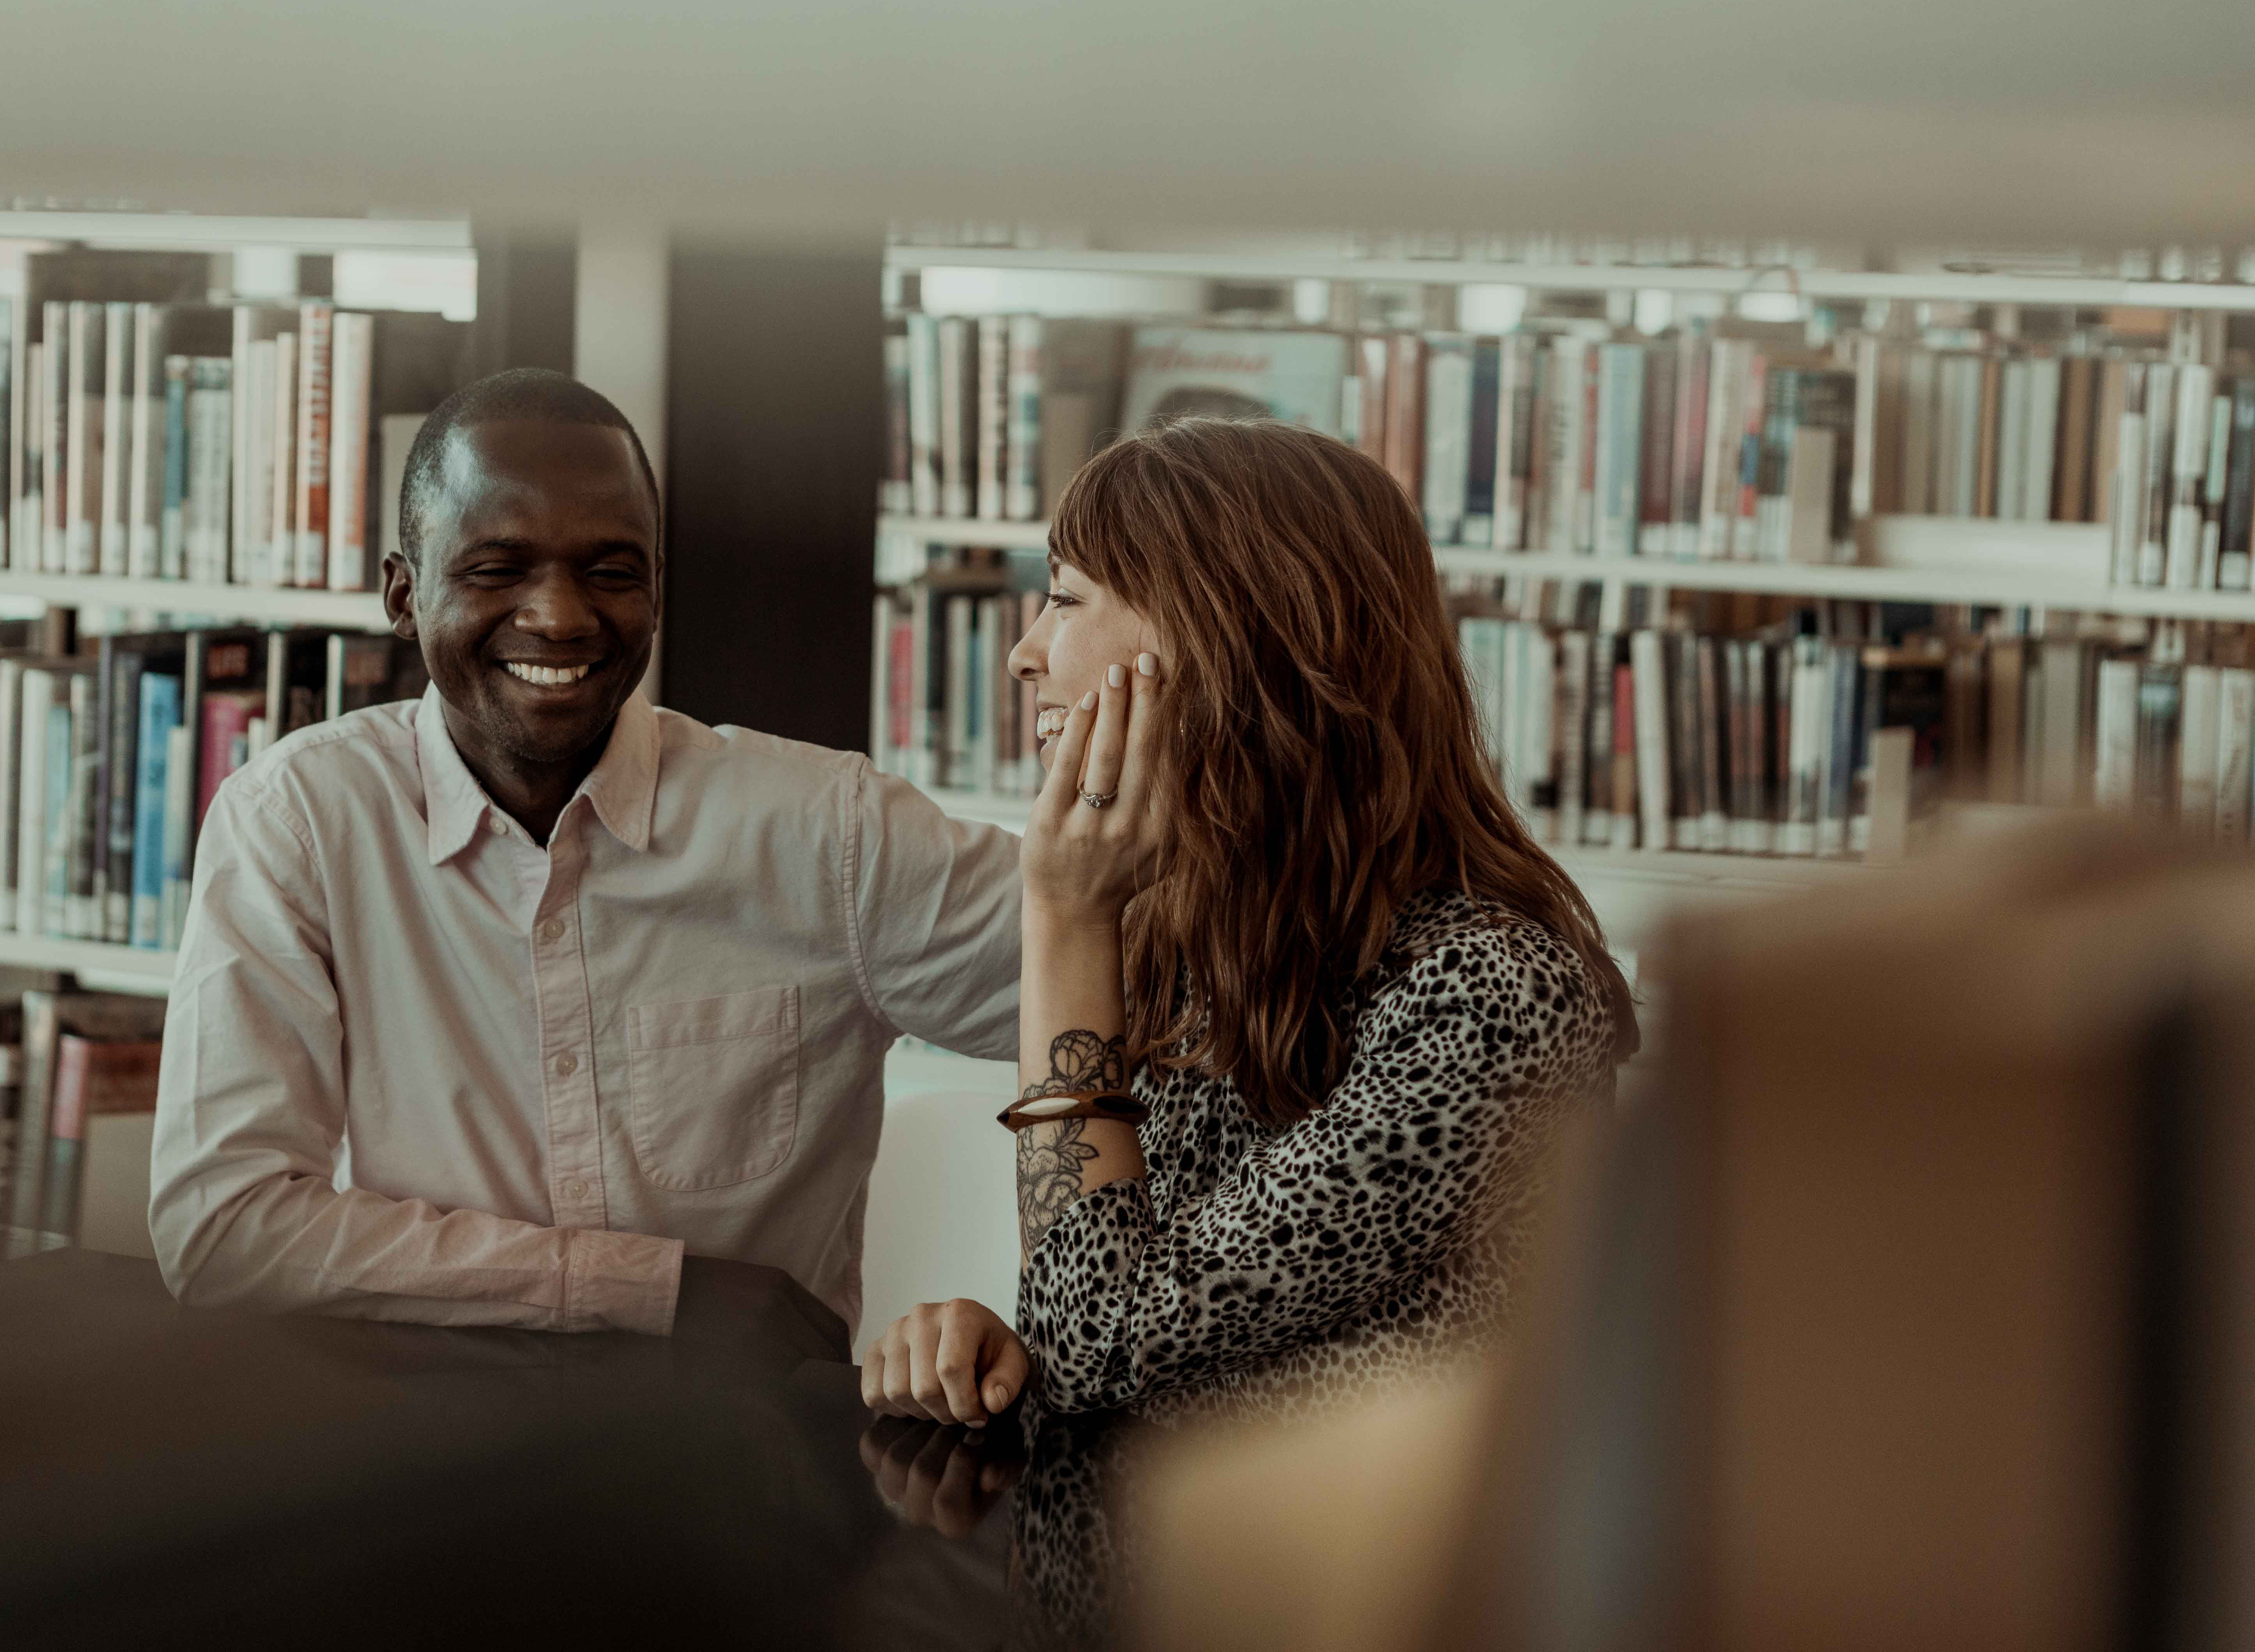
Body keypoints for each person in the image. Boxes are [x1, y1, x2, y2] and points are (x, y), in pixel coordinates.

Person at [149, 369, 1020, 1346]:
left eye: (610, 570)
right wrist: (658, 1290)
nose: (560, 616)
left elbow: (1156, 993)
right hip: (414, 1459)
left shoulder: (831, 832)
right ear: (404, 594)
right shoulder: (301, 820)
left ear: (655, 586)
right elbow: (222, 1229)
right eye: (496, 569)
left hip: (740, 1464)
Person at [861, 417, 1636, 1425]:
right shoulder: (1198, 931)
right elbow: (1122, 1338)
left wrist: (1065, 917)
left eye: (1064, 599)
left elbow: (1107, 1340)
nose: (1024, 654)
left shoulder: (1491, 994)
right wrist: (1005, 1358)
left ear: (1223, 637)